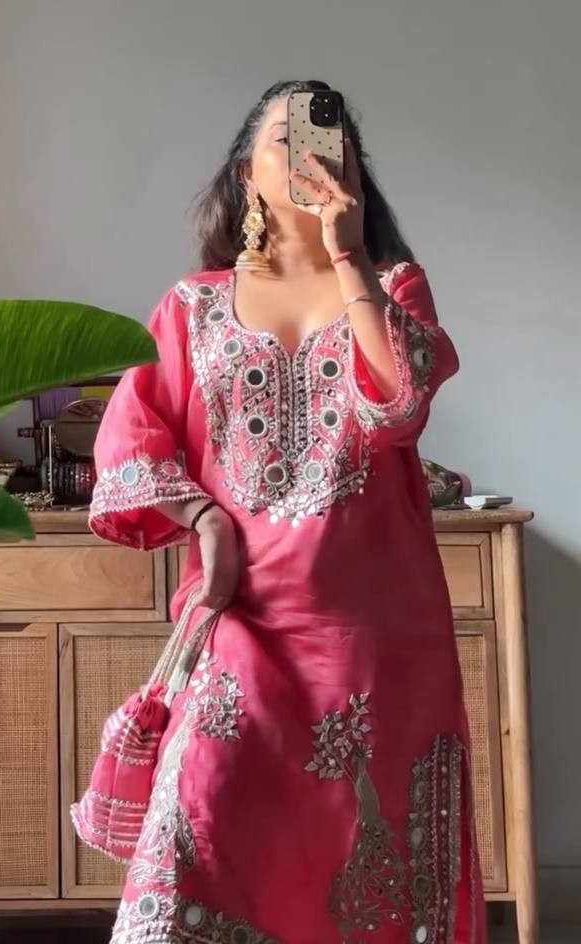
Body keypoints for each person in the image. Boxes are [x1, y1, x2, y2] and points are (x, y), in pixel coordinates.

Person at [83, 79, 487, 943]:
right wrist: (204, 519)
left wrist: (350, 257)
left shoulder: (395, 288)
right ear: (246, 174)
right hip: (242, 627)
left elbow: (399, 406)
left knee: (367, 889)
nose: (313, 156)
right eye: (286, 138)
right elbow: (132, 434)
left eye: (332, 141)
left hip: (375, 642)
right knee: (191, 857)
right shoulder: (192, 307)